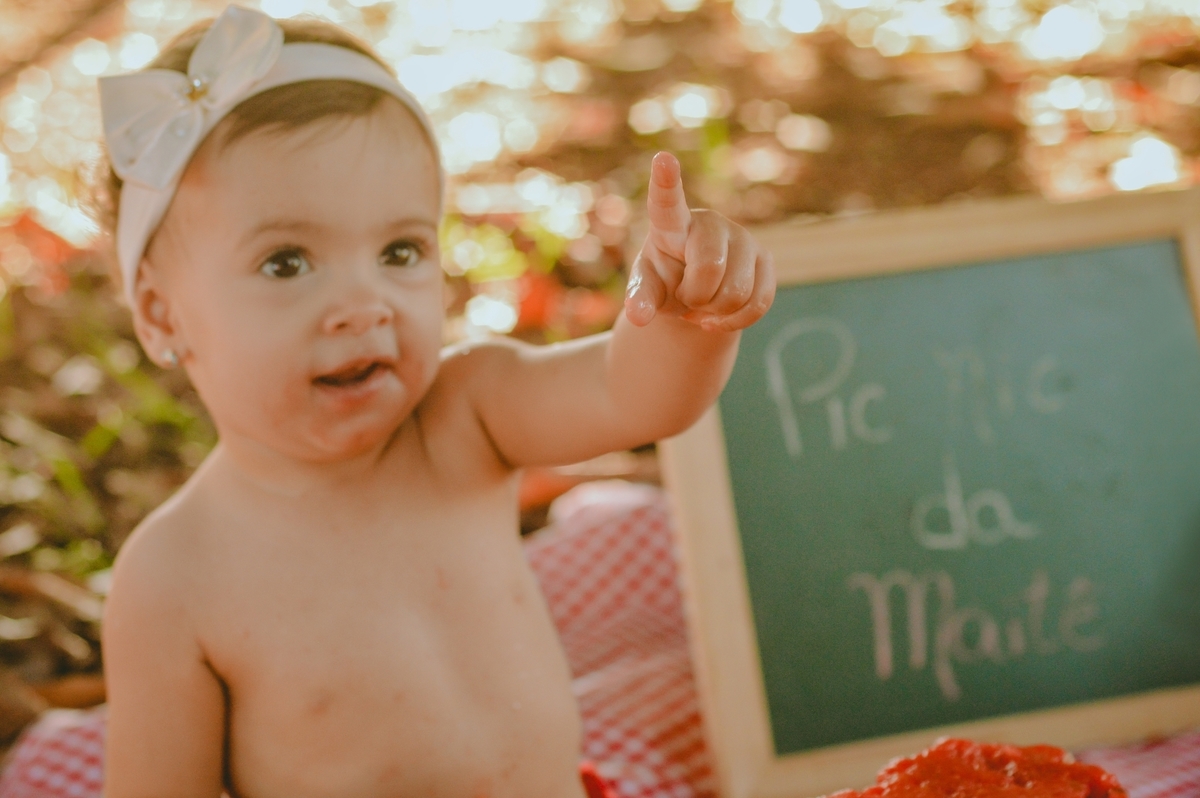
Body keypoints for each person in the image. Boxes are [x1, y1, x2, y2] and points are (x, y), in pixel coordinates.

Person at [94, 6, 776, 797]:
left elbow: (628, 395)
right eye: (286, 262)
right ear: (162, 314)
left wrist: (686, 320)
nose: (363, 304)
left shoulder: (464, 414)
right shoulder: (176, 577)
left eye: (399, 251)